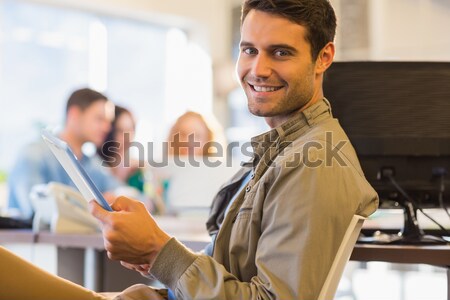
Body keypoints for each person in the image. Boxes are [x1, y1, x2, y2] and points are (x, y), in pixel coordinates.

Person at [88, 0, 379, 299]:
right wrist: (153, 253)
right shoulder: (282, 149)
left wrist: (158, 250)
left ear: (323, 57)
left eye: (281, 52)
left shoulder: (314, 162)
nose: (258, 70)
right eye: (249, 50)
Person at [7, 88, 122, 220]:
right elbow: (37, 211)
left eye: (108, 122)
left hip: (76, 239)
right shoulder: (33, 155)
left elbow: (125, 194)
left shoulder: (93, 165)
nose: (107, 127)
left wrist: (117, 199)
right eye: (99, 119)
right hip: (29, 240)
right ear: (74, 115)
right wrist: (96, 206)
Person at [98, 105, 145, 192]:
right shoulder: (95, 165)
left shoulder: (136, 170)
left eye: (130, 130)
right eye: (120, 131)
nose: (127, 137)